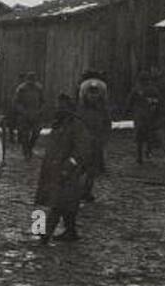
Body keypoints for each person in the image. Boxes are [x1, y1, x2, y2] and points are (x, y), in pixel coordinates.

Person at [35, 93, 88, 242]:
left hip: (66, 171)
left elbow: (82, 150)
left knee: (58, 203)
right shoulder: (58, 124)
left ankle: (43, 234)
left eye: (62, 107)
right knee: (48, 202)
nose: (58, 109)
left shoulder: (77, 126)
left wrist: (69, 166)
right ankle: (70, 231)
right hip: (51, 170)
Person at [76, 72, 111, 201]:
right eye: (91, 93)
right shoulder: (80, 110)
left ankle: (87, 191)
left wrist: (104, 138)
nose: (93, 96)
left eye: (96, 93)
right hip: (82, 142)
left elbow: (107, 124)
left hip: (96, 142)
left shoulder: (103, 111)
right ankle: (77, 189)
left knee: (92, 169)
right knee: (80, 167)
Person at [128, 69, 162, 164]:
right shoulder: (153, 89)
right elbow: (159, 101)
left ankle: (140, 156)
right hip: (150, 115)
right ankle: (147, 152)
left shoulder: (136, 89)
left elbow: (130, 101)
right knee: (149, 135)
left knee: (139, 137)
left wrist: (128, 111)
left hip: (139, 116)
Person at [12, 72, 45, 159]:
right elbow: (16, 102)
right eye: (30, 80)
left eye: (33, 80)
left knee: (36, 133)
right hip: (24, 115)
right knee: (24, 134)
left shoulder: (39, 89)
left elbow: (43, 101)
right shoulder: (21, 89)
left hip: (36, 114)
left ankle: (30, 147)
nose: (31, 82)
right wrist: (22, 111)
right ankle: (26, 151)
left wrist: (40, 110)